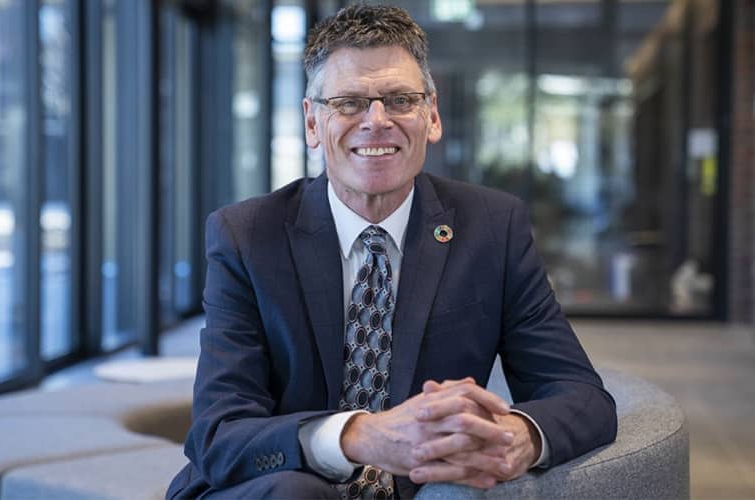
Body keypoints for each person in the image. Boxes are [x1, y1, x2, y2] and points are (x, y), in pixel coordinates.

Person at [166, 4, 616, 499]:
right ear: (313, 124)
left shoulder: (492, 227)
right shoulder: (245, 234)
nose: (377, 121)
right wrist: (360, 436)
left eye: (400, 99)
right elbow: (219, 434)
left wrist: (519, 437)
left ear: (432, 115)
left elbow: (581, 396)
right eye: (349, 103)